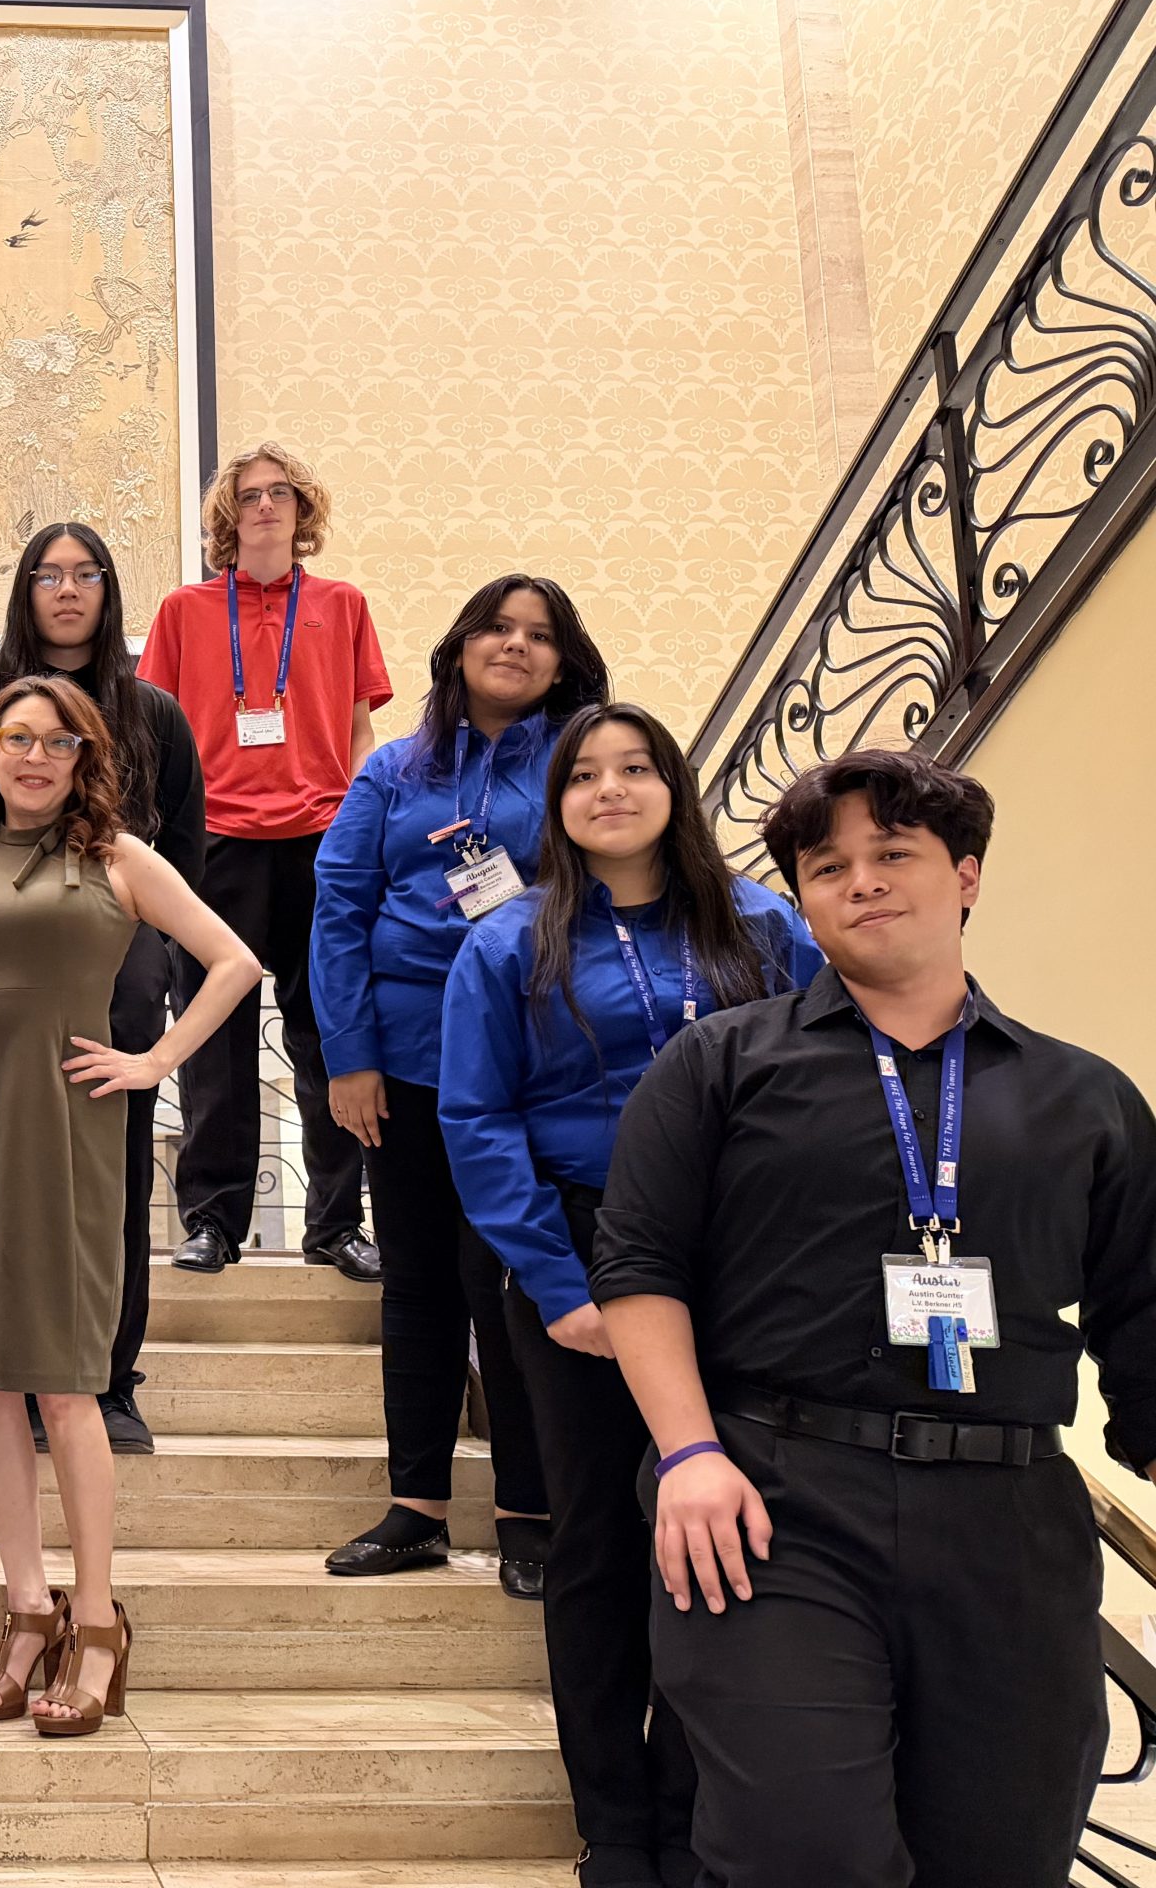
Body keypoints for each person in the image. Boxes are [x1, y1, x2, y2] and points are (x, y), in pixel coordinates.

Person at [592, 749, 1156, 1888]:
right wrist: (689, 1452)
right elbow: (637, 1266)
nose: (861, 881)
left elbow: (1141, 1312)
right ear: (800, 898)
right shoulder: (718, 1064)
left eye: (892, 853)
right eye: (826, 866)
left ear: (966, 876)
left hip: (1009, 1520)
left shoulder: (1083, 1097)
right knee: (805, 1850)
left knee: (1001, 1855)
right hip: (767, 1501)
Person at [439, 704, 820, 1887]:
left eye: (636, 768)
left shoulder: (762, 924)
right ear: (555, 804)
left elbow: (831, 1073)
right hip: (580, 1253)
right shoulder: (507, 943)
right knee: (601, 1541)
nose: (611, 790)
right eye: (584, 775)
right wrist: (557, 1285)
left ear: (675, 785)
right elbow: (476, 1121)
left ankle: (695, 1802)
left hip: (743, 1259)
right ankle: (615, 1822)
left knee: (729, 1532)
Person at [0, 677, 260, 1738]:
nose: (32, 757)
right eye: (13, 739)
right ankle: (28, 1608)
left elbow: (234, 961)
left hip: (66, 1136)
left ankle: (99, 1617)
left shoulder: (116, 858)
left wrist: (154, 1057)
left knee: (66, 1388)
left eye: (55, 741)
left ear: (82, 756)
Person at [310, 575, 607, 1596]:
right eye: (497, 627)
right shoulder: (392, 771)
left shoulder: (577, 765)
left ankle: (528, 1509)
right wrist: (347, 1059)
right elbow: (338, 910)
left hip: (529, 1072)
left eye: (539, 635)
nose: (515, 646)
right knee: (419, 1289)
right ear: (459, 644)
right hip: (398, 1070)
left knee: (510, 1287)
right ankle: (417, 1508)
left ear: (563, 661)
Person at [0, 520, 206, 1452]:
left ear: (110, 589)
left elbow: (188, 856)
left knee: (107, 1186)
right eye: (48, 573)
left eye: (86, 573)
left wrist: (161, 986)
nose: (68, 589)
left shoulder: (154, 713)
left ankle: (106, 1376)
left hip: (112, 974)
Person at [138, 445, 388, 1283]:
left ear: (302, 509)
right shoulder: (184, 611)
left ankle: (335, 1224)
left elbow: (358, 731)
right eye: (250, 496)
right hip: (217, 846)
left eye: (280, 493)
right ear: (228, 514)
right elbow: (157, 739)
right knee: (216, 1041)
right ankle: (212, 1219)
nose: (266, 507)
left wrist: (360, 827)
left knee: (329, 1037)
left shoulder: (343, 604)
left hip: (322, 842)